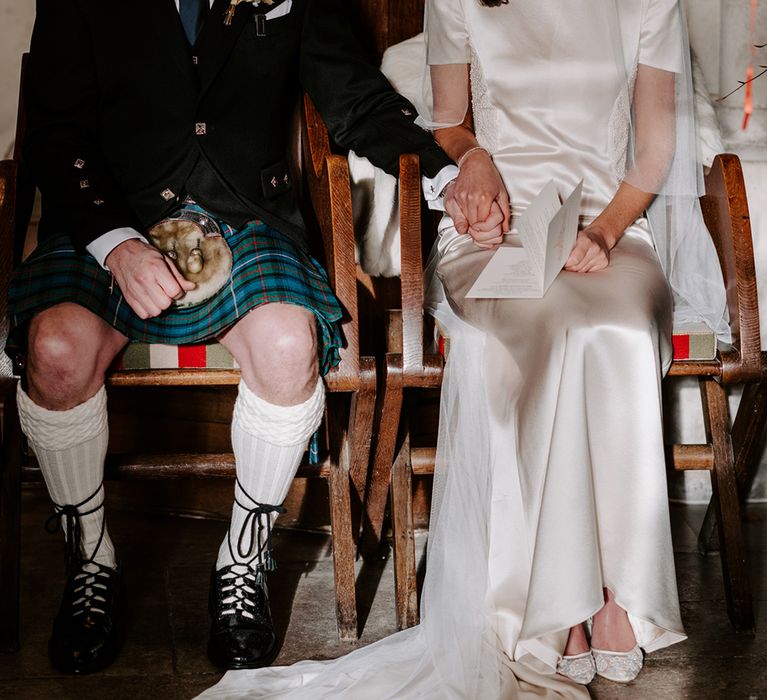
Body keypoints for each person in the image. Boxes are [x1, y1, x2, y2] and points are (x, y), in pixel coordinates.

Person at [198, 0, 728, 697]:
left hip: (610, 226)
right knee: (550, 328)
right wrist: (476, 172)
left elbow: (656, 147)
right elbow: (447, 124)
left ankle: (615, 595)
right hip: (493, 232)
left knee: (618, 330)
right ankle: (557, 604)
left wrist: (602, 233)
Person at [8, 0, 466, 675]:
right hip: (112, 217)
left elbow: (353, 96)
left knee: (290, 346)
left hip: (246, 218)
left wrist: (445, 174)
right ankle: (92, 557)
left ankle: (244, 559)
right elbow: (54, 128)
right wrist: (115, 244)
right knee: (55, 352)